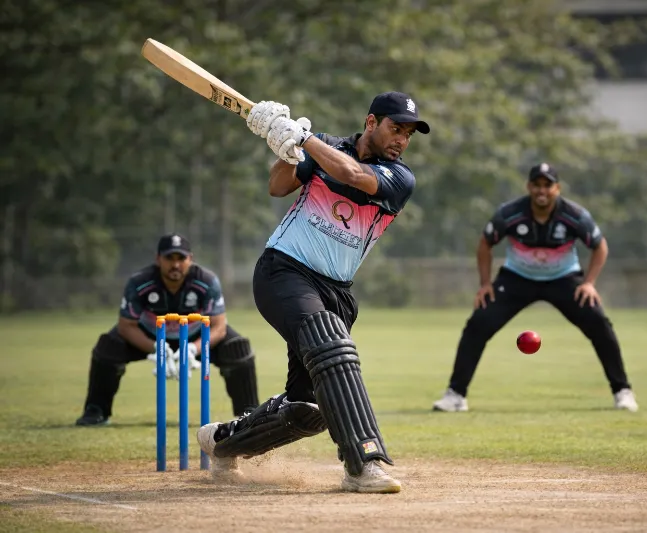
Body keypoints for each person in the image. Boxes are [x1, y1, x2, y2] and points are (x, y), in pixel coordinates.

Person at [196, 92, 429, 494]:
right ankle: (364, 464)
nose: (401, 140)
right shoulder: (323, 145)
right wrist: (287, 150)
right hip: (283, 271)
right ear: (371, 122)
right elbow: (277, 186)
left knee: (307, 409)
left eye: (408, 134)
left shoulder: (399, 177)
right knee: (331, 343)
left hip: (336, 291)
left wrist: (303, 139)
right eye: (396, 128)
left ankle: (222, 443)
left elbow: (353, 175)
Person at [432, 163, 638, 413]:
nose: (542, 190)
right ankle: (455, 395)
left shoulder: (575, 215)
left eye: (547, 185)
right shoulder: (509, 213)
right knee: (478, 323)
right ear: (528, 187)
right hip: (517, 278)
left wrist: (589, 283)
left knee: (599, 323)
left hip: (563, 278)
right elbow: (485, 243)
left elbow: (600, 246)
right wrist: (485, 284)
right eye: (537, 185)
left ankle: (622, 391)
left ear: (557, 188)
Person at [75, 234, 260, 426]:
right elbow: (126, 326)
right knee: (109, 345)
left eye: (181, 258)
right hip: (150, 336)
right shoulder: (140, 282)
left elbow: (219, 327)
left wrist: (193, 349)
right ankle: (96, 411)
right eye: (169, 258)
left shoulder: (206, 280)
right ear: (158, 259)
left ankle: (249, 415)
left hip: (195, 337)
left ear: (190, 259)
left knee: (237, 347)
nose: (175, 264)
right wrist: (157, 348)